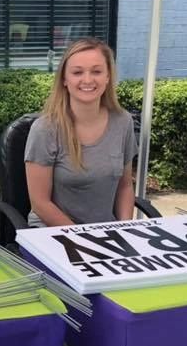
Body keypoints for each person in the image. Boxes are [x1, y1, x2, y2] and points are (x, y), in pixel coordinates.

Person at [24, 37, 137, 227]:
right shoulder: (45, 129)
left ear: (108, 77)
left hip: (104, 233)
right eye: (77, 72)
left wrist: (124, 229)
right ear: (65, 80)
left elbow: (125, 186)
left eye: (97, 71)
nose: (87, 80)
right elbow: (40, 204)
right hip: (52, 233)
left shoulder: (122, 121)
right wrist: (82, 238)